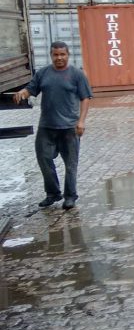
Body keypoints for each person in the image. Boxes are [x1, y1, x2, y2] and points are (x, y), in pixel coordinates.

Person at [13, 41, 93, 210]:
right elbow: (31, 89)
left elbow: (85, 98)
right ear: (51, 55)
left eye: (62, 54)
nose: (59, 58)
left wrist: (81, 121)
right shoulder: (43, 73)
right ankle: (53, 193)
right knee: (44, 159)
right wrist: (22, 93)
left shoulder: (77, 75)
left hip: (69, 128)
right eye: (56, 55)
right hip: (47, 127)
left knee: (71, 164)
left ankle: (70, 196)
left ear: (68, 55)